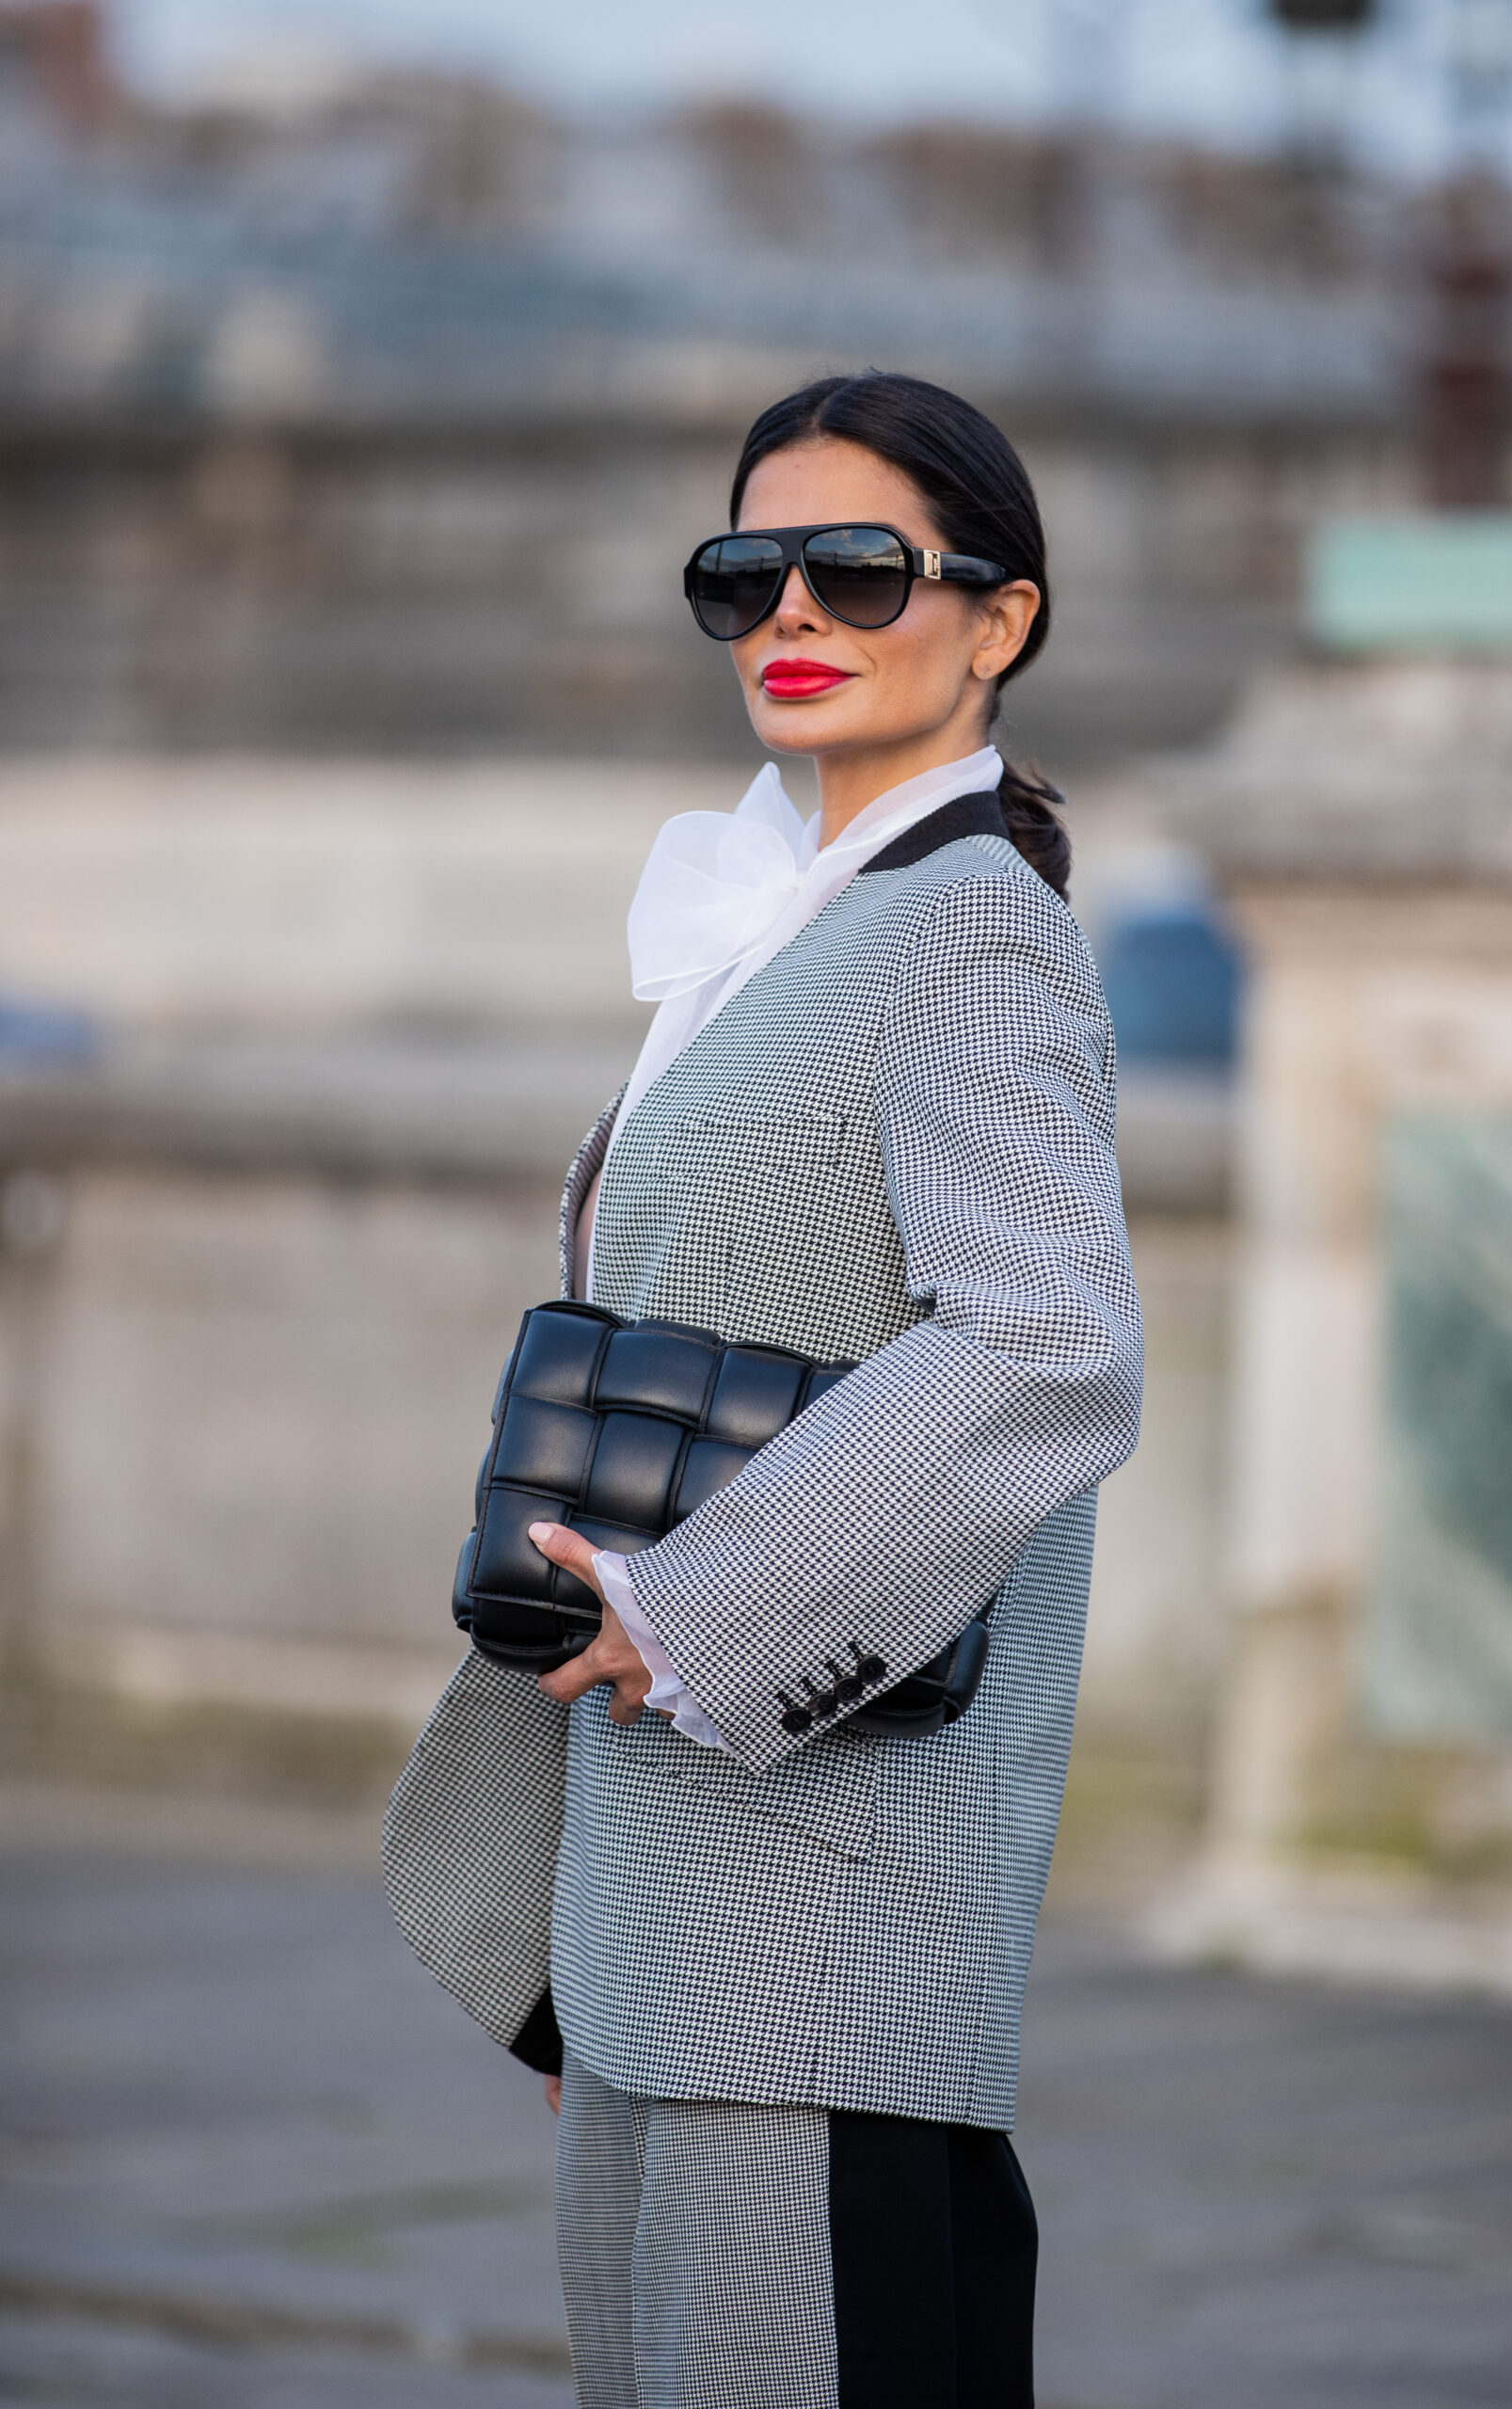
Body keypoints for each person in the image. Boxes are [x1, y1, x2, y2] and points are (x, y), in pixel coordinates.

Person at [385, 369, 1143, 2409]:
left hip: (822, 1924)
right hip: (661, 1886)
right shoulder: (782, 928)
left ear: (999, 618)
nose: (791, 608)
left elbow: (1047, 1341)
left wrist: (687, 1612)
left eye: (860, 568)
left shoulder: (969, 929)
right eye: (746, 571)